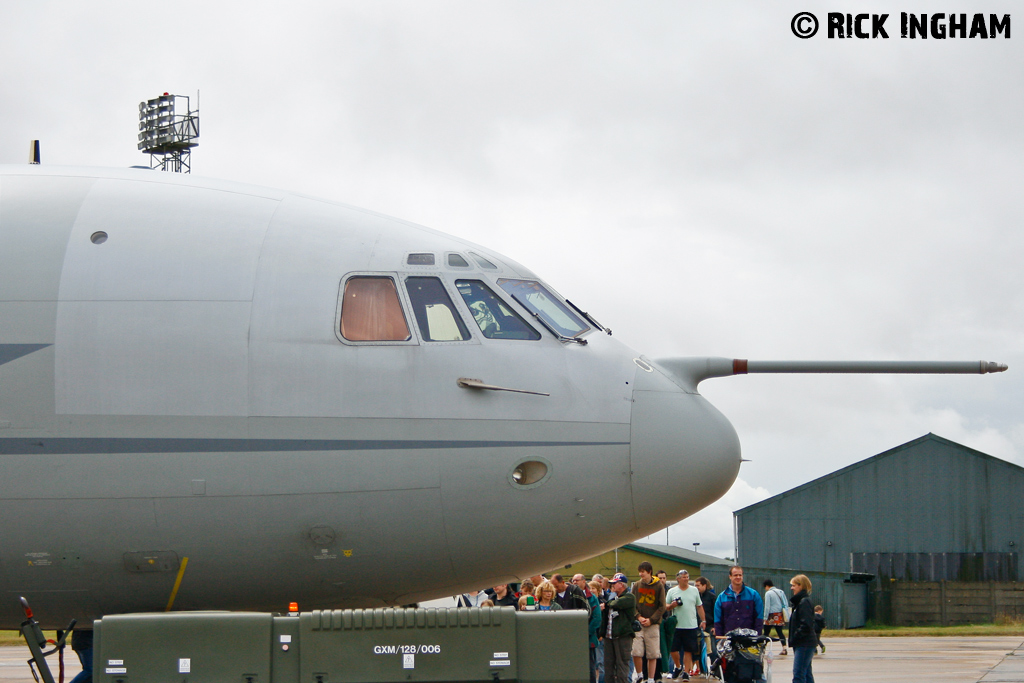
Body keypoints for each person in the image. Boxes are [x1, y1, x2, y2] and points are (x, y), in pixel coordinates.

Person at [665, 570, 705, 680]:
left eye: (687, 577)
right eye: (683, 577)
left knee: (688, 650)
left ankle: (686, 672)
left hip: (691, 625)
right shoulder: (672, 591)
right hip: (676, 625)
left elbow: (699, 606)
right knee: (673, 649)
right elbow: (666, 606)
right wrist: (672, 605)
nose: (686, 579)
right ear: (678, 579)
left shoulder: (694, 591)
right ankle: (678, 666)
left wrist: (703, 620)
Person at [631, 562, 666, 683]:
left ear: (649, 572)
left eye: (643, 572)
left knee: (653, 653)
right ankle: (640, 675)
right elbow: (632, 603)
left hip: (653, 624)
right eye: (639, 571)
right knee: (636, 651)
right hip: (638, 624)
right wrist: (638, 617)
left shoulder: (659, 586)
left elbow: (662, 606)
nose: (641, 574)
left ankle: (651, 679)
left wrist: (651, 619)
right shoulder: (636, 585)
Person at [601, 573, 637, 683]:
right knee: (608, 664)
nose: (612, 586)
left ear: (621, 585)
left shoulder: (629, 597)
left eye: (614, 584)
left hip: (623, 636)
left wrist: (607, 604)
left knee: (622, 664)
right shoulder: (612, 597)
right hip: (609, 636)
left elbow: (617, 603)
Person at [713, 566, 763, 636]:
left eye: (740, 575)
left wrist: (758, 636)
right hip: (729, 639)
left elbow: (759, 618)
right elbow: (718, 620)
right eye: (735, 575)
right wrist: (719, 639)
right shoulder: (721, 597)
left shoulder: (754, 595)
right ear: (730, 576)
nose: (738, 577)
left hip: (749, 638)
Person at [575, 574, 603, 683]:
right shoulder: (571, 596)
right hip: (573, 638)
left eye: (577, 580)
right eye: (573, 580)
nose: (575, 582)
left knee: (590, 666)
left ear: (583, 581)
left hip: (588, 638)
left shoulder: (591, 597)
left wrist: (586, 632)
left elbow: (597, 618)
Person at [788, 575, 816, 683]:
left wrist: (796, 636)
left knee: (799, 674)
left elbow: (806, 624)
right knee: (807, 674)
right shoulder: (799, 602)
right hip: (803, 643)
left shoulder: (804, 602)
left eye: (794, 585)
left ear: (801, 586)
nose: (792, 588)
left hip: (804, 643)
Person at [762, 579, 788, 655]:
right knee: (780, 632)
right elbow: (785, 603)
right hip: (779, 615)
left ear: (767, 586)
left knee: (766, 633)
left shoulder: (768, 593)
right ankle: (784, 648)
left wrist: (765, 617)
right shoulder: (781, 591)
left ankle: (763, 649)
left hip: (771, 615)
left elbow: (767, 606)